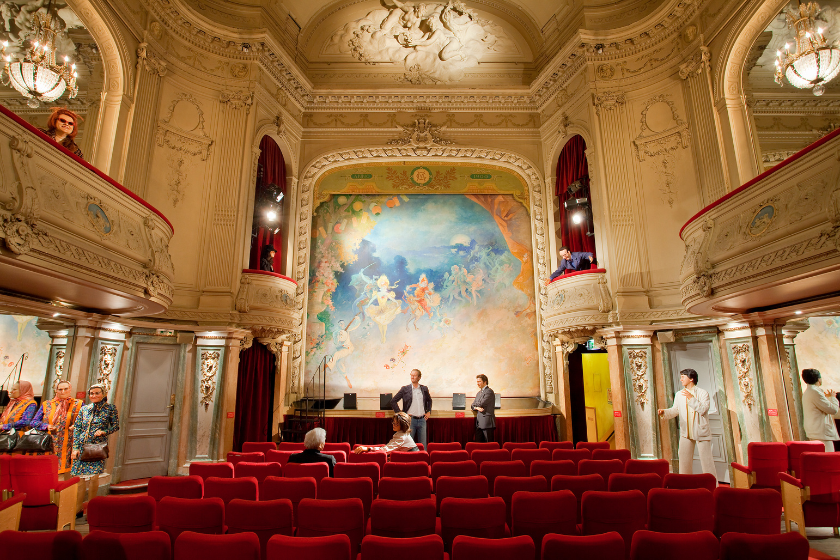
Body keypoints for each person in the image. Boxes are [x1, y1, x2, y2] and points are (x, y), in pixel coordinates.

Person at [658, 369, 715, 479]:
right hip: (686, 433)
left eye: (683, 377)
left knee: (707, 462)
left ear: (691, 378)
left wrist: (691, 398)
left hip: (701, 431)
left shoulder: (703, 393)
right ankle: (685, 483)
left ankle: (713, 484)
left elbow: (703, 409)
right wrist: (664, 412)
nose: (681, 379)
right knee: (684, 462)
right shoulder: (679, 394)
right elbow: (675, 410)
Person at [31, 380, 83, 472]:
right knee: (46, 470)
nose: (63, 392)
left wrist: (76, 425)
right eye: (60, 389)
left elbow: (86, 421)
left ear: (70, 389)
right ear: (56, 390)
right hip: (48, 443)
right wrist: (46, 426)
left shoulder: (78, 404)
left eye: (65, 389)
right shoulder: (47, 404)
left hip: (68, 444)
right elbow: (34, 422)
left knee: (64, 472)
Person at [71, 383, 119, 477]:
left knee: (94, 477)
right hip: (82, 447)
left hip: (97, 447)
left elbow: (115, 426)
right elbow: (77, 428)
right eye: (91, 393)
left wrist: (104, 432)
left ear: (104, 394)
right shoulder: (84, 409)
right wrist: (75, 448)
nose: (94, 396)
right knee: (79, 477)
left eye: (97, 393)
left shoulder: (110, 408)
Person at [389, 369, 432, 448]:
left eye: (414, 375)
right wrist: (401, 414)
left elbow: (429, 400)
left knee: (423, 445)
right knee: (408, 445)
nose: (412, 377)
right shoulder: (405, 389)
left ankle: (423, 456)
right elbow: (393, 401)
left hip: (422, 420)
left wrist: (429, 411)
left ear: (419, 377)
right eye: (411, 375)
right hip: (410, 421)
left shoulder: (424, 389)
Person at [800, 368, 839, 452]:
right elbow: (833, 410)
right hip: (821, 432)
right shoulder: (815, 392)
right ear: (819, 379)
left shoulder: (809, 391)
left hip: (815, 431)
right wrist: (833, 397)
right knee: (828, 457)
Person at [354, 412, 418, 455]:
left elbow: (384, 450)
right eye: (393, 422)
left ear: (403, 425)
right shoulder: (403, 433)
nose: (393, 425)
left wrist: (368, 449)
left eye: (396, 424)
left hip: (411, 463)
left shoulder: (401, 437)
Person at [471, 374, 496, 442]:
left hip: (487, 423)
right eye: (477, 382)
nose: (477, 383)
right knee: (479, 444)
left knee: (488, 444)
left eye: (479, 381)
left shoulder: (489, 392)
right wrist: (476, 408)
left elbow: (481, 404)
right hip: (479, 423)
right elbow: (472, 405)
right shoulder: (478, 393)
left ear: (485, 382)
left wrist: (475, 406)